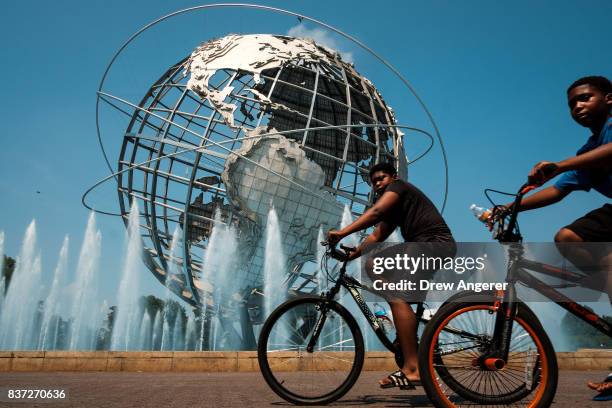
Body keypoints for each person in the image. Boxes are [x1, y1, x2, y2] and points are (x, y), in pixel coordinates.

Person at [496, 75, 611, 401]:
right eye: (572, 103)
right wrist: (509, 207)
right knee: (568, 237)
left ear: (610, 99)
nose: (577, 106)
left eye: (585, 98)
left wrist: (559, 165)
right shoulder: (588, 150)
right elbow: (558, 191)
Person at [327, 162, 454, 389]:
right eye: (374, 181)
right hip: (424, 246)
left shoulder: (399, 187)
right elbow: (377, 235)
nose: (377, 184)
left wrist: (342, 232)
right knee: (375, 268)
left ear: (393, 177)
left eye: (381, 178)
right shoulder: (395, 207)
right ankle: (408, 344)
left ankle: (413, 369)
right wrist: (352, 254)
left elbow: (375, 213)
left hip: (432, 244)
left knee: (389, 284)